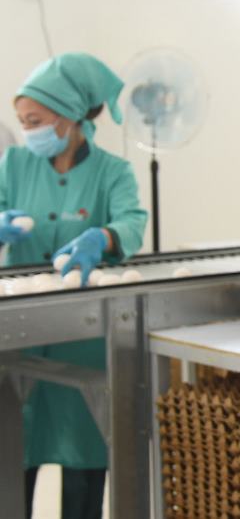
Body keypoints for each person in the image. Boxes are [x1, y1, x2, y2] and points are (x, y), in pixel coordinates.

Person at [0, 52, 148, 519]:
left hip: (81, 342)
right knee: (11, 460)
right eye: (23, 122)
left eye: (35, 121)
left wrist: (102, 237)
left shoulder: (111, 171)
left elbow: (132, 222)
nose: (28, 131)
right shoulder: (14, 163)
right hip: (19, 334)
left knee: (82, 469)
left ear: (67, 117)